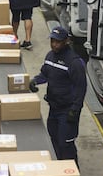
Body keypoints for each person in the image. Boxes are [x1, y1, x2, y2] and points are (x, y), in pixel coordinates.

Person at [29, 26, 87, 165]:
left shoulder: (74, 62)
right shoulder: (50, 56)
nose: (54, 44)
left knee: (66, 144)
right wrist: (35, 81)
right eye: (53, 41)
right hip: (54, 108)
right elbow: (45, 74)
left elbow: (81, 88)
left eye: (58, 42)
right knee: (54, 138)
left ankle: (72, 174)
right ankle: (60, 169)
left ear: (66, 41)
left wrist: (75, 109)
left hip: (67, 111)